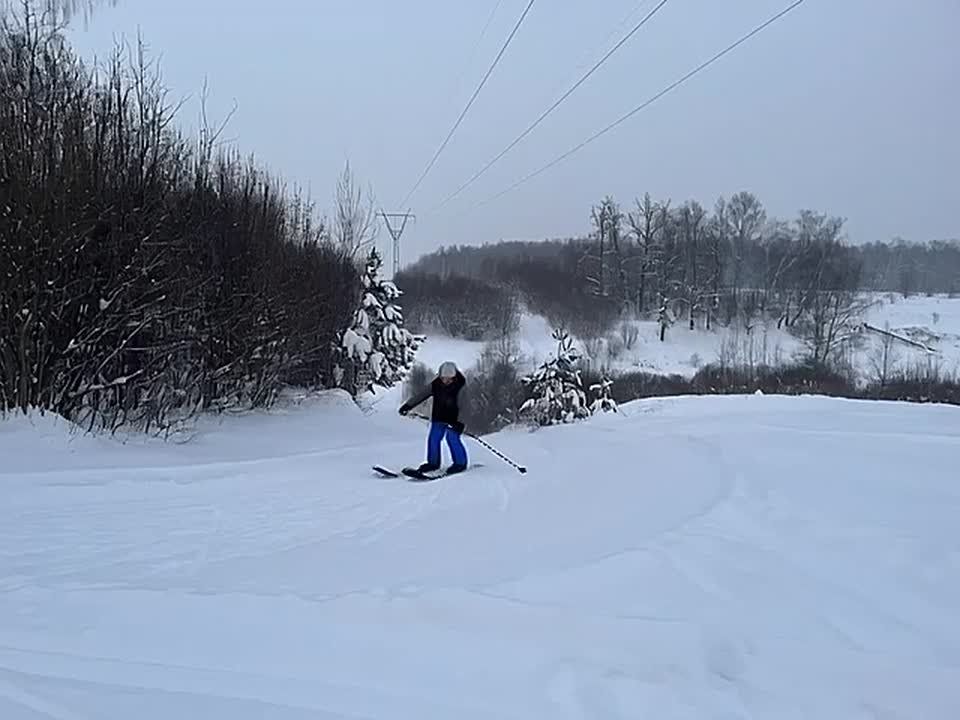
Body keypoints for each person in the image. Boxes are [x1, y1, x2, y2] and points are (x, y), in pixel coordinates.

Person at [398, 361, 468, 474]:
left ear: (454, 377)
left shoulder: (461, 387)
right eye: (444, 378)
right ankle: (433, 463)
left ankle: (460, 463)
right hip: (439, 417)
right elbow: (421, 395)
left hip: (455, 420)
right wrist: (408, 405)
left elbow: (466, 406)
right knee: (433, 439)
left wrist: (460, 422)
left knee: (452, 438)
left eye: (449, 379)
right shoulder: (436, 385)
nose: (446, 381)